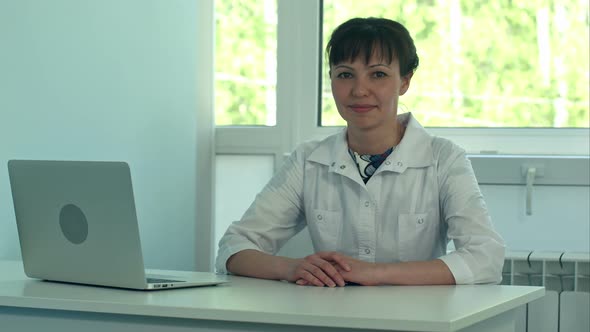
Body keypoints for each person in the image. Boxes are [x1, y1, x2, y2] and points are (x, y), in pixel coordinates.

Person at [215, 17, 505, 287]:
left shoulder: (443, 158)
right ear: (331, 79)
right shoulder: (308, 160)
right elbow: (235, 246)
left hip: (419, 320)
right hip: (331, 318)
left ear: (405, 81)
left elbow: (486, 257)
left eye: (377, 74)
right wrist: (292, 268)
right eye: (345, 75)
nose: (359, 90)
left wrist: (373, 273)